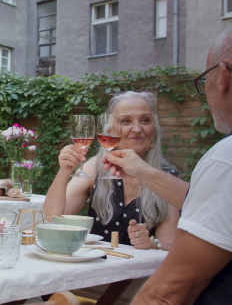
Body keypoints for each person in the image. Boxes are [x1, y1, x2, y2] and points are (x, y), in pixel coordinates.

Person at [105, 29, 232, 304]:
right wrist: (144, 172)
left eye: (204, 81)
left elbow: (167, 293)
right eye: (125, 121)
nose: (136, 129)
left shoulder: (225, 160)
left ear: (222, 78)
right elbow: (209, 203)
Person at [43, 91, 180, 249]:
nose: (136, 128)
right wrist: (64, 171)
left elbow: (169, 245)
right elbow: (53, 218)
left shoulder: (168, 178)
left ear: (154, 129)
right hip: (95, 265)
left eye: (145, 120)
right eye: (125, 121)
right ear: (109, 130)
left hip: (139, 271)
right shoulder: (97, 167)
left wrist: (151, 244)